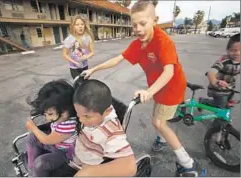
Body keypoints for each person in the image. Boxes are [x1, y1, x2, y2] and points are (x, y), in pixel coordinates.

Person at [82, 1, 202, 177]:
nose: (137, 28)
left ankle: (187, 163)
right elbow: (118, 59)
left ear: (155, 20)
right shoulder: (139, 44)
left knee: (158, 122)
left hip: (171, 87)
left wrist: (149, 91)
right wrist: (94, 69)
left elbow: (169, 72)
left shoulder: (163, 41)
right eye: (134, 24)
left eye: (143, 23)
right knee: (159, 117)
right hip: (157, 88)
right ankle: (161, 138)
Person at [67, 79, 137, 176]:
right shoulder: (89, 112)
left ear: (107, 111)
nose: (81, 120)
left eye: (87, 116)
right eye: (79, 115)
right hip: (77, 156)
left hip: (90, 167)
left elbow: (130, 166)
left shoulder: (111, 131)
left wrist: (88, 173)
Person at [25, 79, 78, 177]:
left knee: (41, 163)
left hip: (65, 153)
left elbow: (47, 140)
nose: (47, 118)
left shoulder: (69, 125)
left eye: (50, 114)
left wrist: (34, 128)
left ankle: (36, 170)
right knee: (31, 138)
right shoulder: (61, 118)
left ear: (66, 110)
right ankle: (32, 171)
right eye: (45, 114)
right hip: (56, 145)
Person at [200, 33, 240, 108]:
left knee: (226, 105)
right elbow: (211, 72)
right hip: (219, 89)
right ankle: (203, 102)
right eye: (233, 50)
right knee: (219, 106)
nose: (237, 53)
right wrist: (216, 82)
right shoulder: (224, 60)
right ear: (227, 50)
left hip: (229, 88)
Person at [63, 15, 95, 79]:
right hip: (74, 68)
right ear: (73, 26)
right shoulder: (70, 39)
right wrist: (74, 62)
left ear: (84, 26)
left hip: (85, 67)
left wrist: (86, 57)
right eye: (77, 25)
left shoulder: (88, 37)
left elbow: (92, 52)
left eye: (82, 24)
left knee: (86, 85)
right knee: (79, 86)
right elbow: (64, 54)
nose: (80, 26)